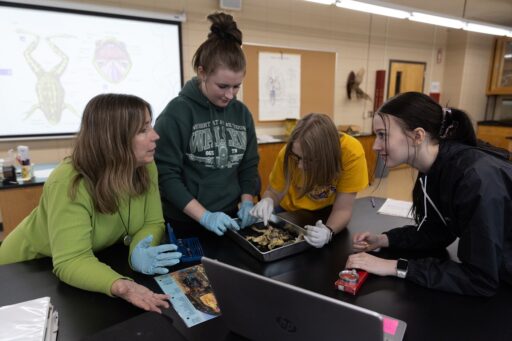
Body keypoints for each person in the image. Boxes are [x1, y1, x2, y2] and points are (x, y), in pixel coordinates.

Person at [0, 94, 182, 312]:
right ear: (114, 139)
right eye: (143, 130)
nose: (156, 135)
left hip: (84, 263)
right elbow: (71, 260)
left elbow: (152, 222)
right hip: (26, 268)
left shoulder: (144, 166)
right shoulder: (69, 180)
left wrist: (137, 252)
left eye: (150, 126)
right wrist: (123, 286)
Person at [346, 91, 512, 297]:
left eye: (383, 135)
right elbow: (438, 231)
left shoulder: (475, 179)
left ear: (418, 136)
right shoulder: (434, 170)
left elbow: (480, 278)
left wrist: (394, 266)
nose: (375, 146)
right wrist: (384, 240)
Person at [155, 12, 259, 237]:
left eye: (236, 86)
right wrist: (204, 216)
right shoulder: (177, 112)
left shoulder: (242, 114)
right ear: (202, 72)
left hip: (231, 218)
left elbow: (249, 165)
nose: (230, 95)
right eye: (222, 86)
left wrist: (247, 200)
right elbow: (166, 175)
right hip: (187, 221)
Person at [250, 113, 369, 248]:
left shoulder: (351, 153)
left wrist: (328, 231)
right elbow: (274, 191)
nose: (300, 166)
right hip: (290, 211)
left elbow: (343, 209)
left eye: (309, 160)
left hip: (327, 213)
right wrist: (268, 200)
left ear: (327, 156)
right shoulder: (288, 153)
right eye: (297, 157)